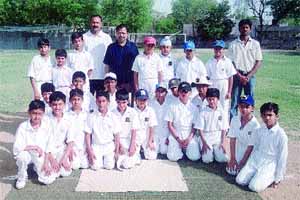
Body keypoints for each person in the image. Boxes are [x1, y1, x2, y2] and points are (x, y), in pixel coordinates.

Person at [236, 102, 288, 192]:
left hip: (270, 163)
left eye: (270, 115)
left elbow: (282, 158)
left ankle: (270, 176)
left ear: (277, 116)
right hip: (257, 159)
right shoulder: (260, 130)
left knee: (254, 187)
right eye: (264, 115)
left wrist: (278, 178)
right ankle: (257, 174)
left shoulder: (281, 135)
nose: (267, 118)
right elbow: (255, 149)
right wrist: (249, 163)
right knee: (239, 180)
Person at [13, 100, 56, 189]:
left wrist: (46, 163)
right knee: (22, 157)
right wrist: (35, 147)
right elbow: (17, 147)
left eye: (39, 114)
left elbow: (49, 146)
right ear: (29, 113)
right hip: (27, 153)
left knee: (48, 179)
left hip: (40, 155)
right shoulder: (23, 126)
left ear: (43, 113)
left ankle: (36, 167)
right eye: (34, 113)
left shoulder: (47, 126)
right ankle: (21, 176)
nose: (36, 117)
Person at [228, 19, 263, 119]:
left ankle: (249, 121)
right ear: (239, 29)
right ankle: (233, 124)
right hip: (236, 76)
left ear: (250, 29)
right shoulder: (233, 44)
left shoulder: (255, 44)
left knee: (249, 100)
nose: (244, 29)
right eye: (242, 27)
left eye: (247, 27)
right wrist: (239, 76)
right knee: (235, 101)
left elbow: (258, 61)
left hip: (250, 77)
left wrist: (248, 76)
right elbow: (231, 62)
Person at [164, 82, 200, 162]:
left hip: (189, 134)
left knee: (195, 157)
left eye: (186, 91)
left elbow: (194, 126)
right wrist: (178, 139)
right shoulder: (172, 106)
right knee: (172, 157)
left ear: (190, 93)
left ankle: (186, 150)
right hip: (176, 134)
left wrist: (189, 139)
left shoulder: (194, 108)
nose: (184, 93)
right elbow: (170, 125)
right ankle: (180, 150)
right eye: (181, 91)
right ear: (178, 92)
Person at [85, 90, 121, 170]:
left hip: (109, 146)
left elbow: (117, 135)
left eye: (104, 101)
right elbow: (87, 134)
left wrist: (117, 151)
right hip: (96, 146)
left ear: (108, 102)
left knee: (109, 166)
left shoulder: (113, 116)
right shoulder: (91, 116)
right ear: (96, 102)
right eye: (99, 101)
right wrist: (90, 151)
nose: (101, 104)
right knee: (95, 167)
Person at [226, 95, 260, 175]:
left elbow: (250, 147)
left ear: (252, 108)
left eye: (247, 107)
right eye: (241, 106)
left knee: (241, 173)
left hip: (252, 152)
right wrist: (233, 158)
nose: (244, 109)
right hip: (240, 148)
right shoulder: (234, 119)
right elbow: (232, 140)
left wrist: (242, 163)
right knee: (232, 171)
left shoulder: (255, 125)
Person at [194, 88, 229, 163]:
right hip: (206, 137)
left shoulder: (222, 112)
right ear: (206, 99)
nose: (211, 101)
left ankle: (216, 152)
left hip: (217, 137)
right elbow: (200, 130)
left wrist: (223, 142)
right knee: (207, 159)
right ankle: (206, 150)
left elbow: (224, 129)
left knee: (222, 159)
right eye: (209, 99)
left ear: (218, 99)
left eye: (213, 99)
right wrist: (204, 143)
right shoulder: (203, 112)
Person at [104, 24, 139, 93]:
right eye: (119, 33)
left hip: (130, 83)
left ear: (127, 34)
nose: (121, 35)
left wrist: (135, 83)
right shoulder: (111, 47)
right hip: (115, 84)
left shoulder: (133, 47)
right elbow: (107, 66)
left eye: (123, 33)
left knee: (129, 103)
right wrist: (108, 81)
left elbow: (137, 66)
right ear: (116, 34)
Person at [45, 91, 73, 178]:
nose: (57, 107)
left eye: (60, 104)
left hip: (61, 149)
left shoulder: (68, 119)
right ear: (50, 104)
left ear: (64, 104)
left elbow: (71, 141)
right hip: (48, 151)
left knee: (65, 172)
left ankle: (61, 162)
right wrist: (52, 160)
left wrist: (64, 158)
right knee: (49, 176)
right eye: (54, 104)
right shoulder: (45, 119)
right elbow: (43, 141)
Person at [83, 15, 112, 94]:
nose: (95, 24)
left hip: (103, 76)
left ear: (101, 24)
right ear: (90, 23)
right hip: (88, 77)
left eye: (97, 22)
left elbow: (110, 57)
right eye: (93, 22)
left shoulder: (107, 38)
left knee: (102, 102)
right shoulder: (84, 37)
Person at [112, 89, 140, 169]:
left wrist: (132, 145)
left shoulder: (133, 112)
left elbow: (134, 130)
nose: (121, 105)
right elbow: (112, 133)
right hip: (116, 141)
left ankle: (136, 156)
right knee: (112, 162)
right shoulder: (112, 113)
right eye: (119, 102)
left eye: (124, 102)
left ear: (128, 101)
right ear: (116, 101)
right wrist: (119, 146)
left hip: (129, 139)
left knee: (127, 165)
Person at [206, 40, 236, 114]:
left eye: (220, 48)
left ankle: (224, 124)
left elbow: (230, 77)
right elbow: (207, 77)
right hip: (213, 84)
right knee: (213, 104)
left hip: (224, 85)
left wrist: (229, 92)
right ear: (214, 49)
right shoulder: (209, 62)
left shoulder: (228, 61)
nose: (218, 50)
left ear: (223, 50)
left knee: (224, 106)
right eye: (216, 48)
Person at [65, 89, 89, 170]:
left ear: (82, 100)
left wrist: (88, 148)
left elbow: (89, 133)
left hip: (84, 146)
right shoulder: (66, 115)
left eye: (79, 99)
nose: (76, 102)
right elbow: (65, 135)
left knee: (85, 165)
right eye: (74, 99)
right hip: (72, 147)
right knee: (75, 166)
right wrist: (69, 149)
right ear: (70, 100)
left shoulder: (87, 114)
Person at [135, 89, 158, 160]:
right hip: (136, 137)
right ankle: (138, 151)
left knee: (151, 156)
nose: (142, 102)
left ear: (147, 100)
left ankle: (144, 149)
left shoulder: (151, 111)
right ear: (136, 100)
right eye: (140, 99)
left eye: (144, 100)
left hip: (146, 136)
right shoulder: (132, 111)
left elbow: (152, 127)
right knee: (134, 159)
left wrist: (150, 141)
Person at [149, 83, 169, 155]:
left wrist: (169, 137)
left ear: (166, 93)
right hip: (154, 134)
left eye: (162, 91)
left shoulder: (170, 105)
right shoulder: (150, 104)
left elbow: (172, 123)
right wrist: (150, 138)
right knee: (152, 153)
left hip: (165, 134)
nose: (160, 94)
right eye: (158, 91)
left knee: (164, 151)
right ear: (155, 92)